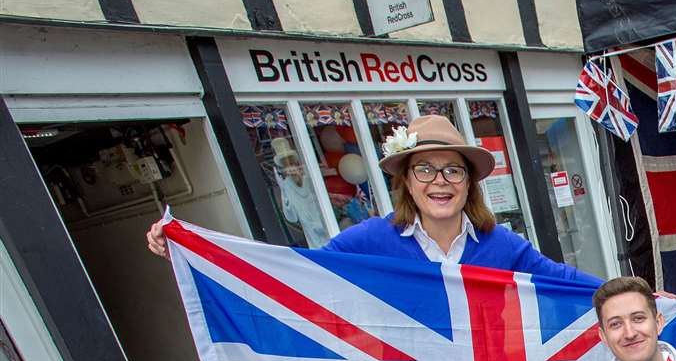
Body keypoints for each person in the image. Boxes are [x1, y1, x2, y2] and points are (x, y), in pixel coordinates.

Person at [148, 115, 595, 284]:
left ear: (468, 182)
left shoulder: (500, 245)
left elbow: (568, 283)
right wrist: (195, 257)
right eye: (424, 168)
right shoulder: (367, 241)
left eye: (453, 169)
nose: (440, 181)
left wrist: (632, 299)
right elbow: (291, 278)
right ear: (405, 180)